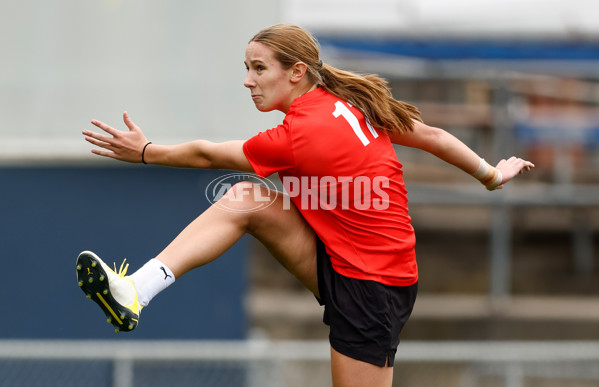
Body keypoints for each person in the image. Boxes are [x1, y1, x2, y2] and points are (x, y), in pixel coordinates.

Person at [77, 24, 534, 387]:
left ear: (296, 72)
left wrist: (145, 151)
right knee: (246, 198)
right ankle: (136, 290)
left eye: (259, 68)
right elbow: (431, 136)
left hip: (373, 285)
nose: (248, 80)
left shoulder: (300, 134)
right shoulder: (351, 102)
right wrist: (490, 175)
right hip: (342, 257)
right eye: (247, 67)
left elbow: (207, 154)